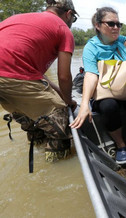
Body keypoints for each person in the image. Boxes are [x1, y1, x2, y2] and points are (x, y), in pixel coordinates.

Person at [69, 7, 126, 165]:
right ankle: (121, 146)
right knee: (109, 106)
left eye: (118, 24)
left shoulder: (125, 42)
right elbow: (91, 75)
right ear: (98, 25)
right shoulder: (91, 47)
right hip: (106, 93)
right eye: (111, 23)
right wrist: (84, 105)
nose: (116, 27)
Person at [0, 0, 78, 164]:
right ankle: (55, 168)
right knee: (58, 117)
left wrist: (61, 95)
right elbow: (64, 76)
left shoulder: (17, 19)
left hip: (10, 80)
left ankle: (36, 146)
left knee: (31, 116)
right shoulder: (62, 29)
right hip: (13, 75)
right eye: (74, 20)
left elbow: (40, 79)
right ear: (68, 14)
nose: (72, 24)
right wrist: (67, 101)